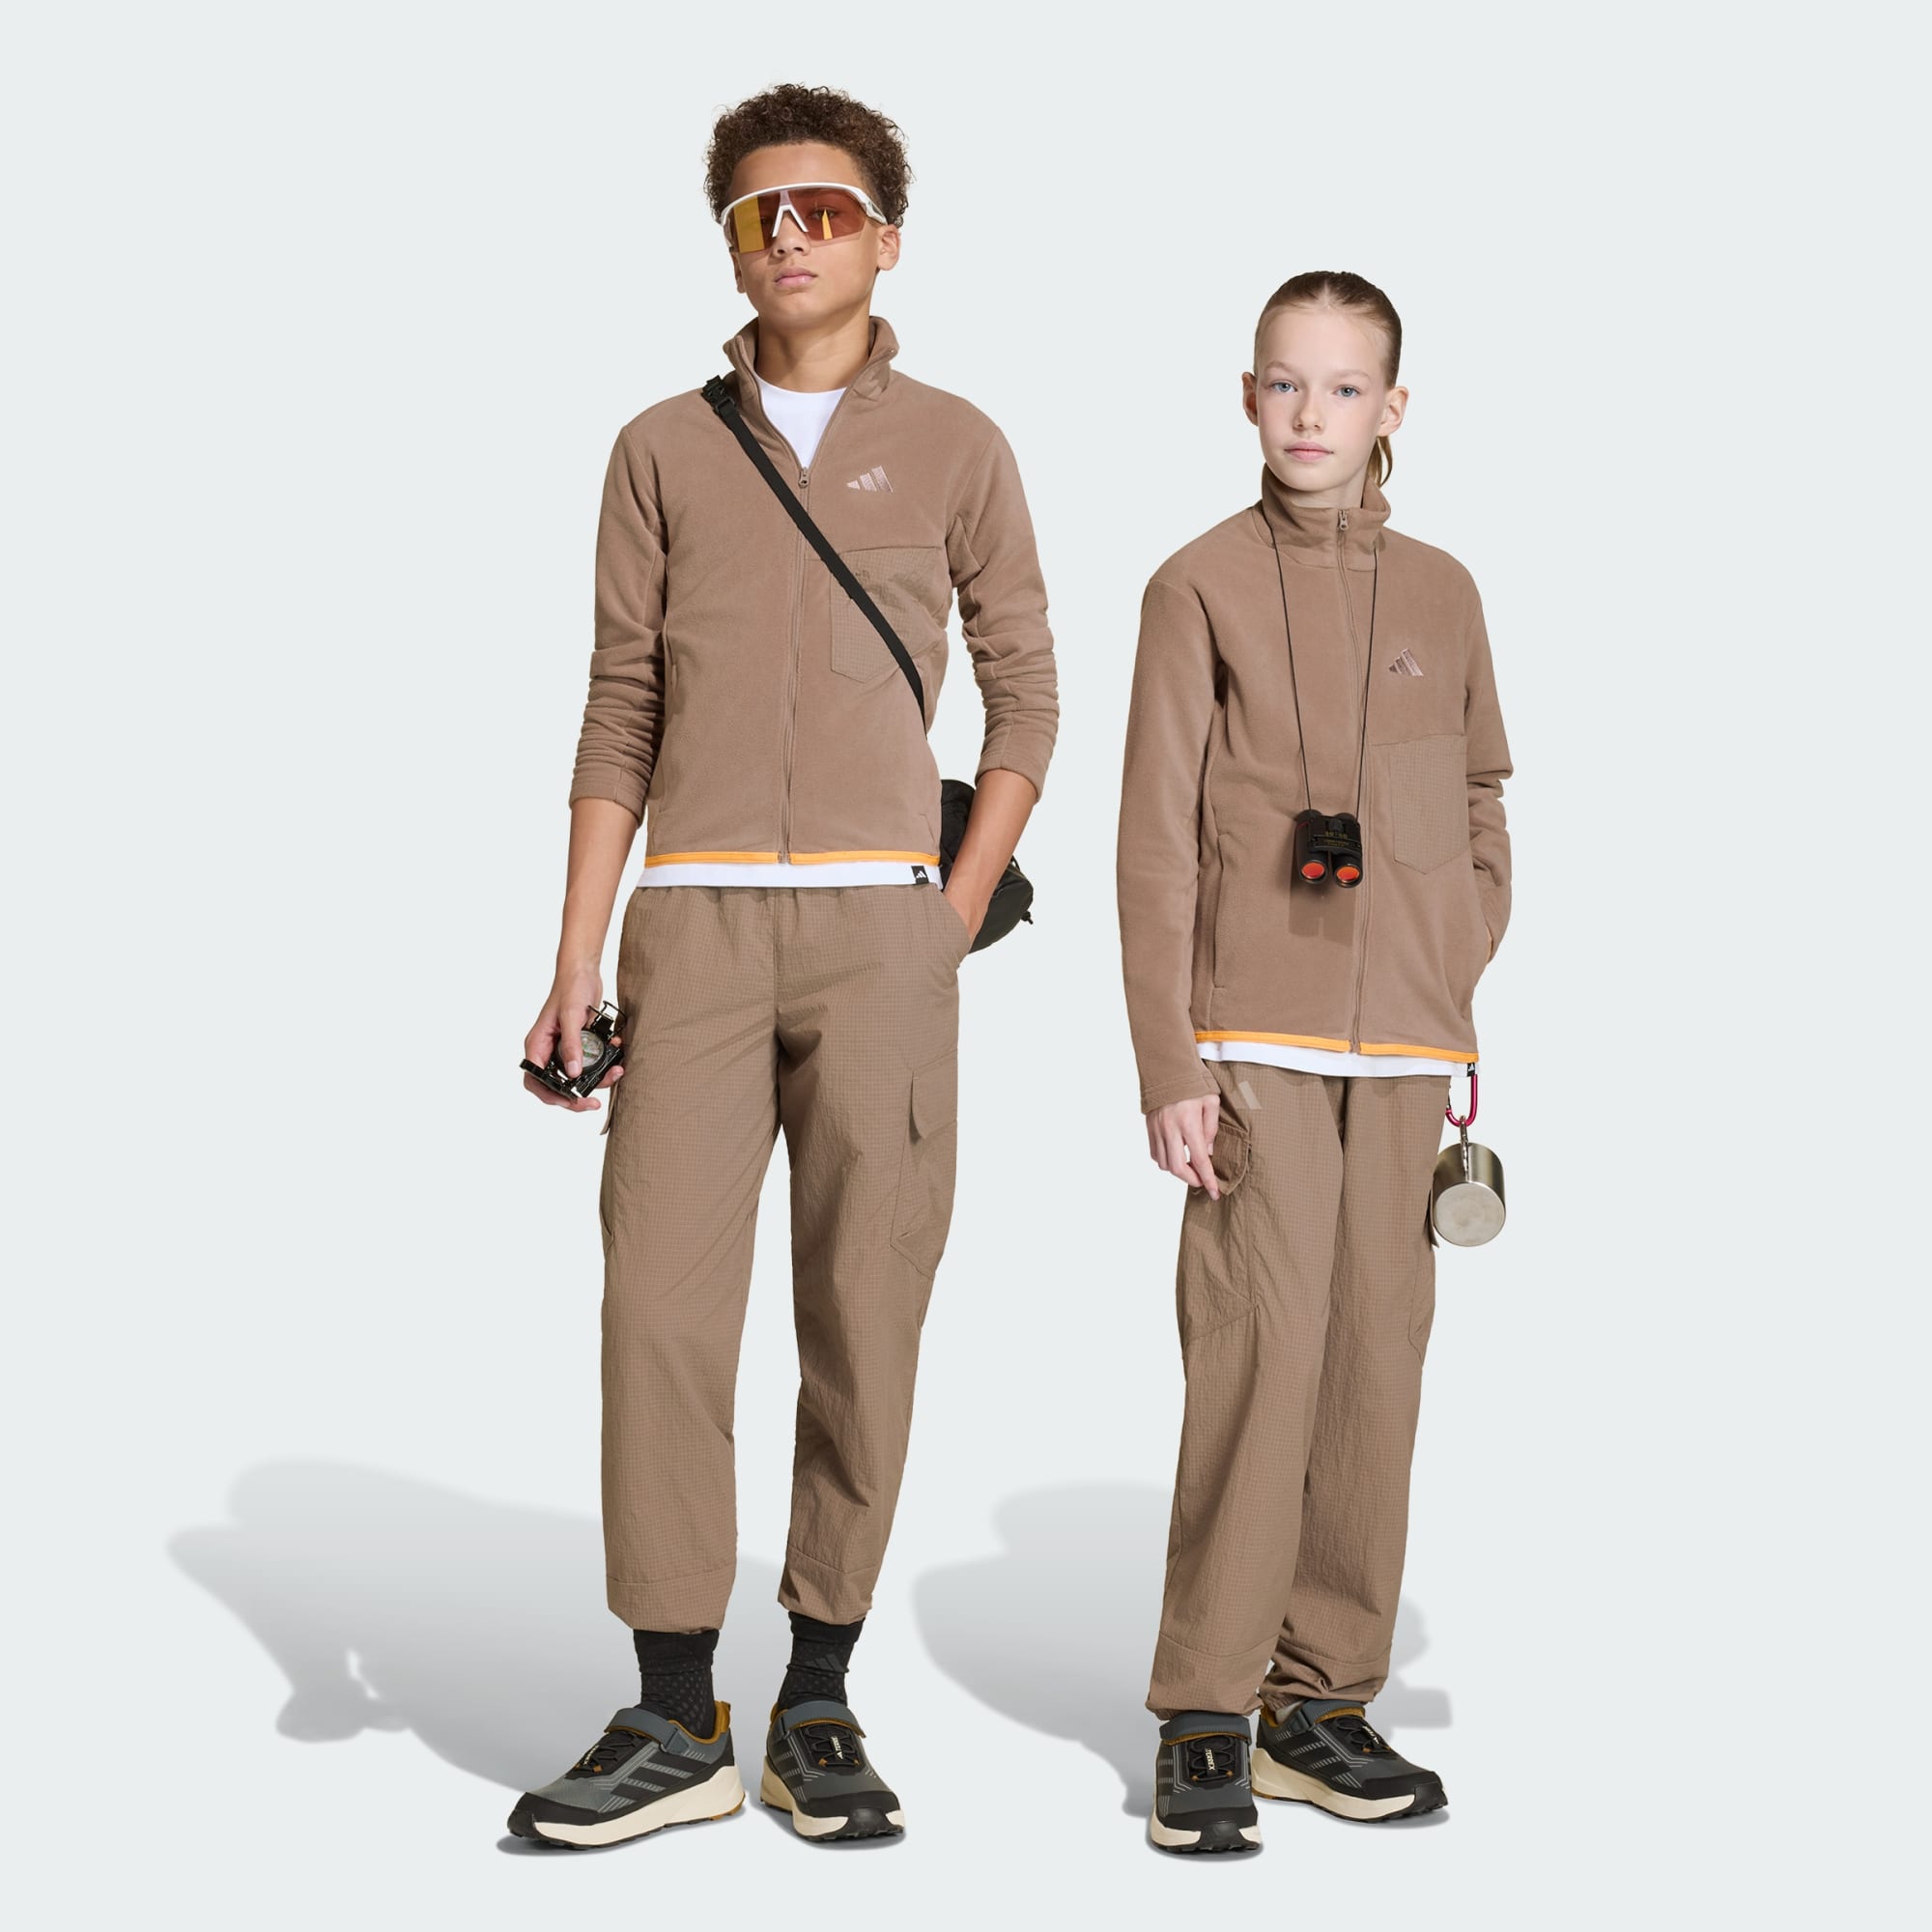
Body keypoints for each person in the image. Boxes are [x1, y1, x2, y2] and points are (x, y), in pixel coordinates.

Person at [510, 83, 1057, 1849]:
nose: (794, 233)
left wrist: (949, 912)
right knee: (659, 1313)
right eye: (763, 212)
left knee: (864, 1311)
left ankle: (819, 1691)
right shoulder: (660, 450)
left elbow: (1029, 692)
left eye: (826, 207)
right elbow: (620, 703)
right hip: (693, 922)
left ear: (886, 237)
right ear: (731, 245)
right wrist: (574, 957)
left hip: (887, 933)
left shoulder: (960, 444)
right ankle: (676, 1712)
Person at [1117, 270, 1512, 1852]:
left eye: (1344, 388)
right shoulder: (1195, 586)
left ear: (1392, 409)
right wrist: (1169, 1056)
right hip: (1250, 1046)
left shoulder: (1445, 594)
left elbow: (1478, 799)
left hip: (1407, 1047)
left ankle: (1321, 1701)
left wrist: (1455, 946)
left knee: (1372, 1374)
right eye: (1285, 383)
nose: (1310, 414)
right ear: (1247, 395)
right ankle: (1206, 1711)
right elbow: (1154, 841)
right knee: (1257, 1363)